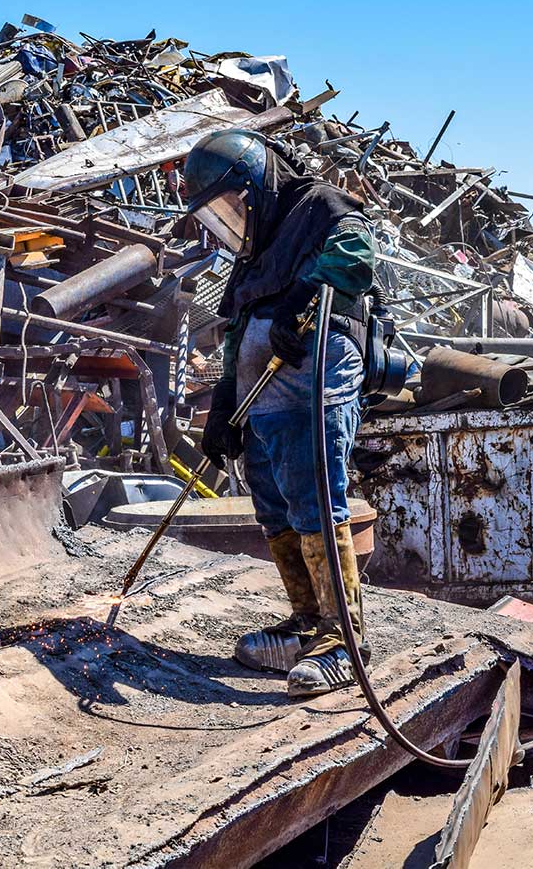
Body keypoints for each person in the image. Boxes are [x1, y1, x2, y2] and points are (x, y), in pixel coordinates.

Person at [183, 128, 375, 697]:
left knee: (314, 498)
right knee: (274, 504)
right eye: (214, 217)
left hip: (310, 379)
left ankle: (344, 639)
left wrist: (302, 299)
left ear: (255, 186)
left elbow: (356, 257)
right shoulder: (253, 253)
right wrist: (223, 404)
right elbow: (238, 328)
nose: (228, 224)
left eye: (228, 209)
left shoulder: (316, 206)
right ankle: (309, 622)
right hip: (260, 396)